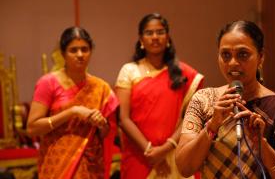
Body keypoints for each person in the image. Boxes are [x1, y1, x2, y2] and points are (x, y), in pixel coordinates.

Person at [175, 20, 275, 179]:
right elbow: (184, 167)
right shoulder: (203, 100)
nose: (233, 63)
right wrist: (212, 125)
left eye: (242, 54)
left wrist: (262, 145)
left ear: (261, 57)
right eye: (225, 55)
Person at [115, 13, 204, 179]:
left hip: (175, 154)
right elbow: (123, 118)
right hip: (139, 156)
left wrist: (165, 149)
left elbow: (190, 117)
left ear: (168, 37)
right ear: (141, 40)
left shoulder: (184, 74)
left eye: (160, 32)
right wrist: (149, 151)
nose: (155, 37)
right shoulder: (129, 71)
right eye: (149, 33)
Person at [26, 26, 118, 179]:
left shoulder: (100, 87)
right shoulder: (48, 83)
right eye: (73, 50)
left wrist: (101, 124)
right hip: (57, 164)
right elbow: (32, 128)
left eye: (85, 49)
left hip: (91, 165)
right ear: (63, 53)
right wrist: (72, 112)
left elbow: (106, 133)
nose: (80, 55)